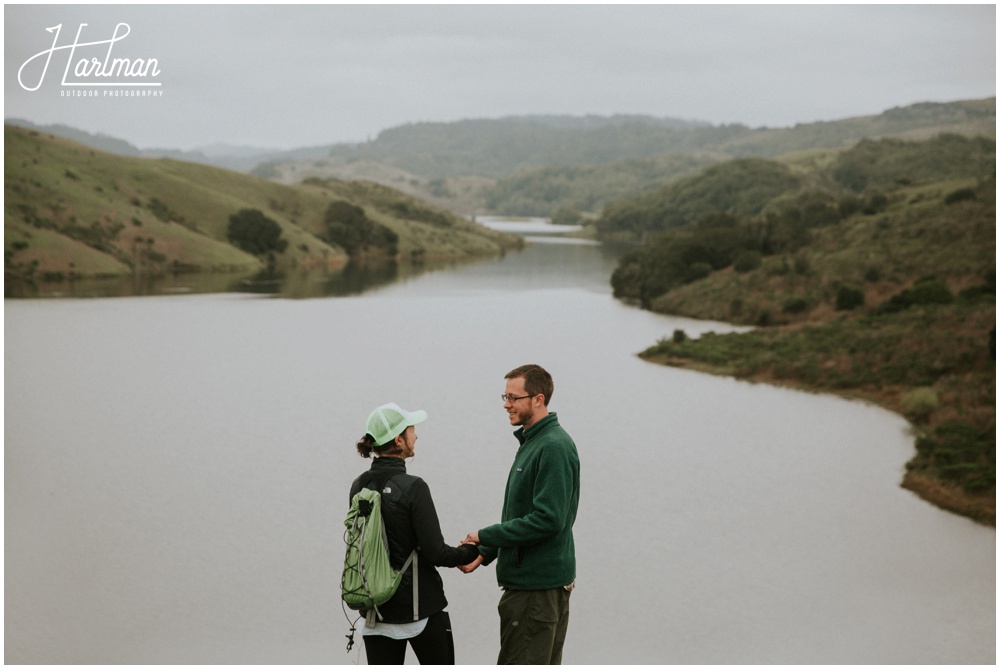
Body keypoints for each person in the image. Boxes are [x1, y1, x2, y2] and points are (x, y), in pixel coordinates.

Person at [460, 364, 581, 665]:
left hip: (535, 591)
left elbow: (548, 519)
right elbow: (522, 512)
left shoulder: (553, 446)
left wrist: (485, 535)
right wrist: (487, 551)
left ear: (538, 399)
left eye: (514, 398)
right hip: (534, 587)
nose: (506, 404)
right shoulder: (534, 441)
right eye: (505, 396)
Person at [349, 402, 480, 665]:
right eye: (411, 431)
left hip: (376, 611)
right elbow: (436, 552)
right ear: (399, 441)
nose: (416, 436)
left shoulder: (359, 485)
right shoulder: (414, 487)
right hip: (421, 609)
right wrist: (474, 549)